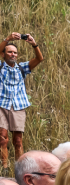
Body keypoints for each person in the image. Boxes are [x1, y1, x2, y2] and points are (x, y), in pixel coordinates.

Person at [0, 33, 43, 167]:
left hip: (18, 106)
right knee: (2, 138)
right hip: (2, 105)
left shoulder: (21, 68)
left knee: (18, 140)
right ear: (3, 54)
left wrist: (33, 44)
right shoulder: (0, 67)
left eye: (15, 53)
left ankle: (19, 169)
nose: (13, 55)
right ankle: (5, 168)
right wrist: (8, 39)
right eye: (10, 52)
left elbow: (39, 59)